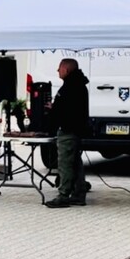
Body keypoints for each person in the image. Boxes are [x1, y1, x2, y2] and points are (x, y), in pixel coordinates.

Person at [44, 58, 90, 209]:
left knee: (65, 163)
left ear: (66, 70)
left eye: (59, 68)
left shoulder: (70, 87)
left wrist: (54, 110)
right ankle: (79, 193)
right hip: (77, 129)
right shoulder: (79, 86)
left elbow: (66, 110)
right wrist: (57, 106)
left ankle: (64, 195)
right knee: (75, 162)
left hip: (68, 129)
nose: (58, 71)